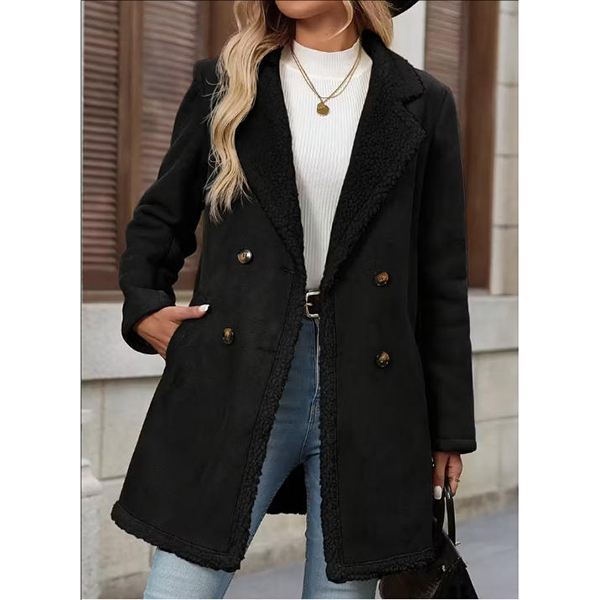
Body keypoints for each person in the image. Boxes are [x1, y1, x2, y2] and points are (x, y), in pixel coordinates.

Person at [111, 1, 477, 598]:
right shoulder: (228, 82)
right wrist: (145, 305)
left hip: (370, 384)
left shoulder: (422, 101)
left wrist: (448, 429)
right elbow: (161, 218)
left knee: (341, 589)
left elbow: (441, 277)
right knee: (180, 584)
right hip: (243, 362)